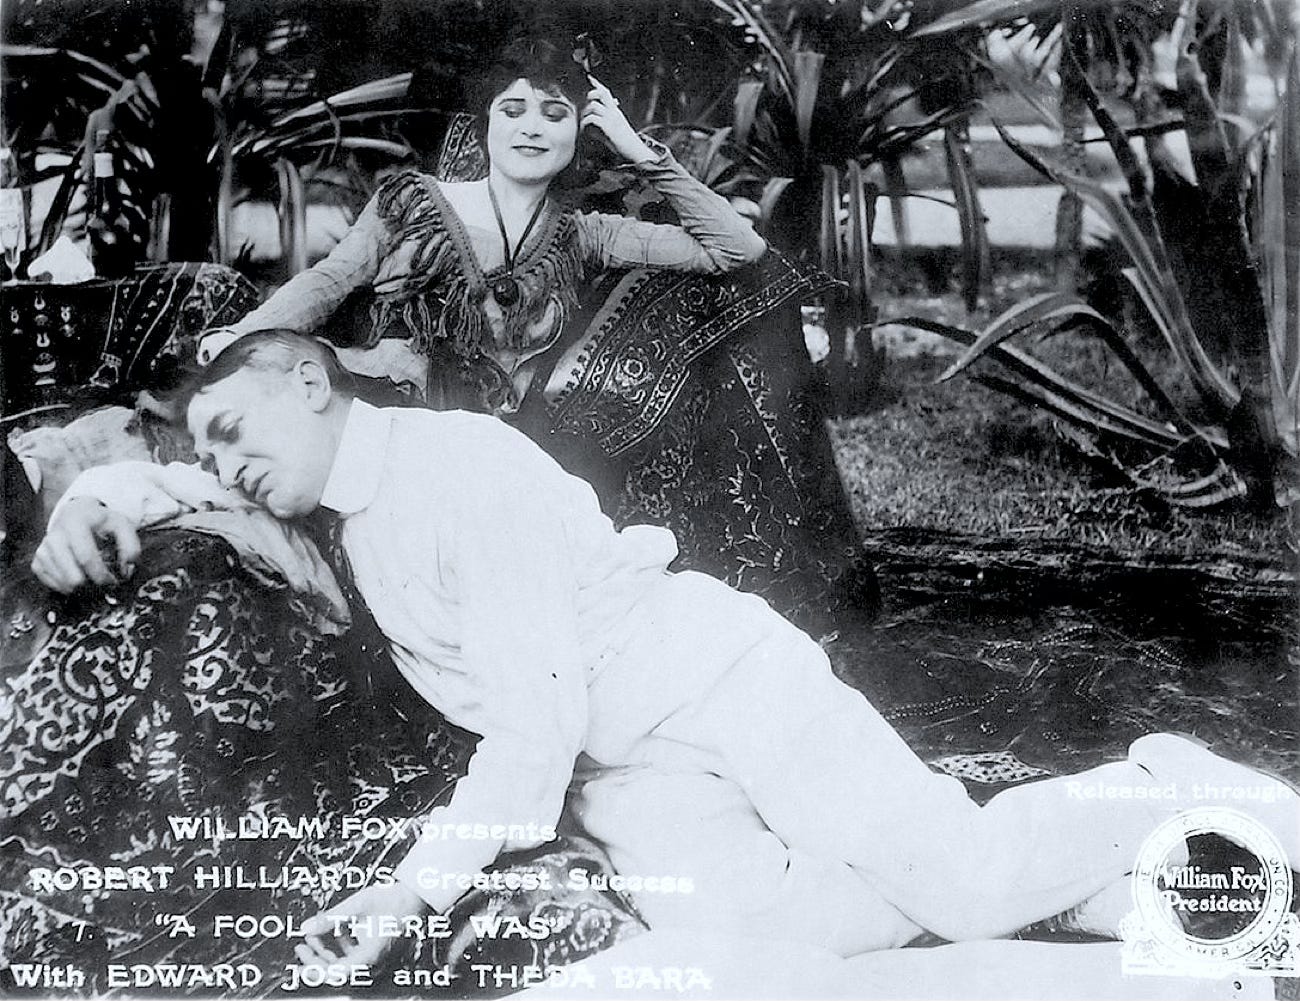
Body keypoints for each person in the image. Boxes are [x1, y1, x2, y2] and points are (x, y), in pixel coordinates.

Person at [35, 330, 1300, 974]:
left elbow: (534, 708)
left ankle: (1151, 785)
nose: (226, 463)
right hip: (626, 763)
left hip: (719, 680)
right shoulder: (329, 500)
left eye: (234, 427)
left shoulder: (459, 466)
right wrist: (108, 496)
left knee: (963, 887)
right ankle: (1079, 876)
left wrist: (409, 889)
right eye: (207, 448)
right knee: (764, 942)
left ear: (314, 387)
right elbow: (193, 496)